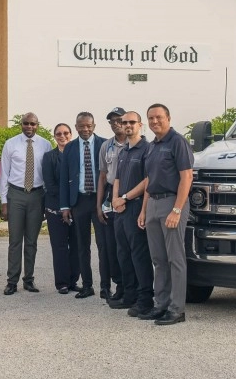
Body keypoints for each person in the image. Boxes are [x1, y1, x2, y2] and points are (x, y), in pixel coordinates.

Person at [138, 103, 194, 325]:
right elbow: (149, 181)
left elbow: (187, 177)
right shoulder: (151, 146)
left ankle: (177, 309)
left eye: (158, 117)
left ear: (168, 118)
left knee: (175, 259)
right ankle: (160, 304)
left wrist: (177, 210)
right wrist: (144, 210)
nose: (154, 122)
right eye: (150, 118)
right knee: (158, 259)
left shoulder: (177, 142)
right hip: (153, 203)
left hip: (172, 203)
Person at [108, 110, 155, 318]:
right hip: (120, 209)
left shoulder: (147, 149)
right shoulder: (124, 150)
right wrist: (115, 199)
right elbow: (117, 178)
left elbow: (147, 181)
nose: (127, 125)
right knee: (123, 254)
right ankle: (129, 295)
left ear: (140, 125)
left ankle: (145, 299)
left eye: (131, 122)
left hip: (135, 207)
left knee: (139, 255)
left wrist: (125, 198)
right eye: (124, 122)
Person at [0, 112, 51, 295]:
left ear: (37, 125)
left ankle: (29, 280)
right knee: (14, 241)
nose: (29, 127)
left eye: (33, 124)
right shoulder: (11, 144)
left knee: (31, 241)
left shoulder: (46, 144)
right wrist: (4, 201)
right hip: (16, 195)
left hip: (37, 196)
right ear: (21, 124)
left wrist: (46, 202)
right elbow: (4, 173)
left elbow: (48, 174)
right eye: (26, 123)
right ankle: (11, 281)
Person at [60, 112, 106, 299]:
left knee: (103, 245)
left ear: (94, 126)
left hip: (99, 200)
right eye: (81, 126)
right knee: (82, 245)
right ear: (76, 127)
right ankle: (87, 286)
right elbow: (64, 178)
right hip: (79, 201)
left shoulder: (104, 144)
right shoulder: (70, 148)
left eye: (88, 126)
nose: (85, 129)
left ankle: (105, 287)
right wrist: (65, 206)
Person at [42, 123, 80, 294]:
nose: (62, 136)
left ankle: (73, 281)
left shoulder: (77, 154)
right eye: (58, 133)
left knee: (76, 244)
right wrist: (67, 202)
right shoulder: (49, 157)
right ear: (54, 136)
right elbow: (50, 185)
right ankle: (62, 283)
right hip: (54, 207)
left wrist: (72, 204)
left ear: (71, 135)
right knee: (59, 246)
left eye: (66, 133)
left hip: (76, 207)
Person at [96, 107, 126, 301]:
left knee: (128, 245)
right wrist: (98, 205)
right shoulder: (106, 146)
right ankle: (119, 286)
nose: (115, 124)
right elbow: (103, 176)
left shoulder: (139, 145)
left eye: (119, 120)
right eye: (111, 121)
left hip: (130, 197)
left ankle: (134, 287)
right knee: (111, 246)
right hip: (109, 198)